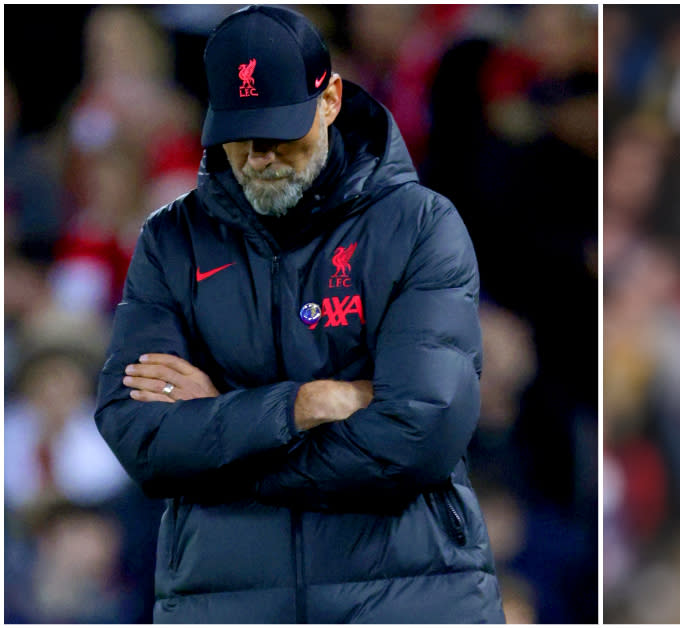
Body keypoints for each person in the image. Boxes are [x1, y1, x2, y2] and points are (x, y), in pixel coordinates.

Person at [94, 5, 504, 623]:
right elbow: (138, 436)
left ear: (332, 99)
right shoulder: (171, 241)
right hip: (225, 604)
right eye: (241, 134)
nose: (261, 156)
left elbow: (419, 436)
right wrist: (298, 407)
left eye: (282, 131)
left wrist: (222, 440)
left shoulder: (420, 225)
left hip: (409, 600)